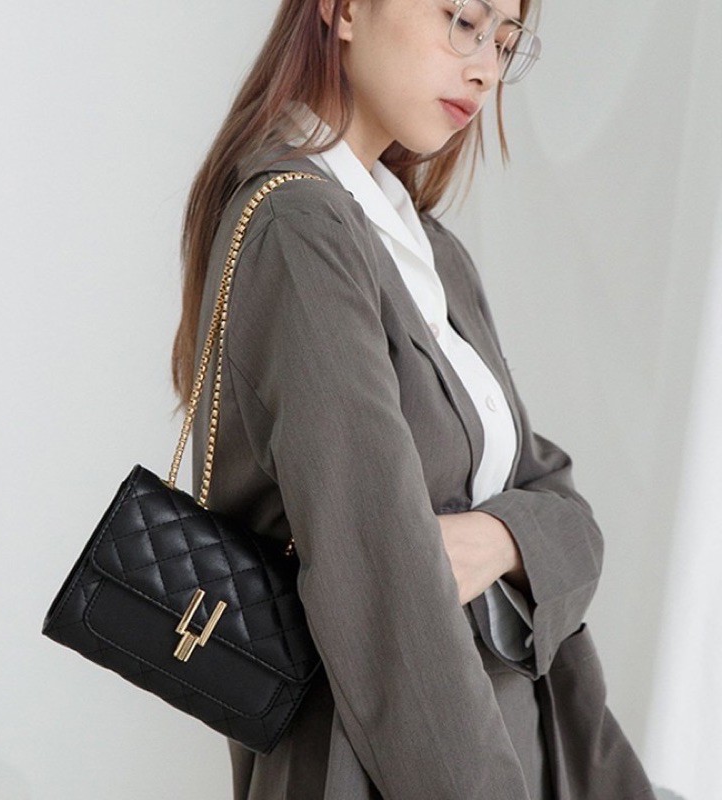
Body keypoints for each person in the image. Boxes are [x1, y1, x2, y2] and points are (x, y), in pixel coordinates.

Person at [171, 0, 657, 797]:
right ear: (344, 11)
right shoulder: (300, 227)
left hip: (530, 745)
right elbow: (381, 596)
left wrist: (500, 535)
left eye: (506, 42)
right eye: (464, 19)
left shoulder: (429, 250)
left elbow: (568, 513)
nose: (486, 68)